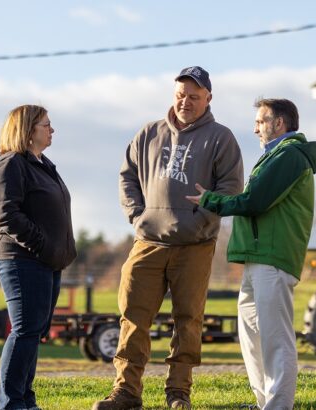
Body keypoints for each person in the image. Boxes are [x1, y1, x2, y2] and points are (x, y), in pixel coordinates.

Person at [92, 66, 244, 410]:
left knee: (188, 320)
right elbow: (127, 176)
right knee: (133, 317)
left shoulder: (221, 138)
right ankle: (126, 392)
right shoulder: (148, 133)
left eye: (193, 96)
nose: (185, 102)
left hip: (195, 245)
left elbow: (232, 188)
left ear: (208, 98)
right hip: (148, 243)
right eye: (180, 95)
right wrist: (137, 215)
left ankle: (178, 393)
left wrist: (200, 218)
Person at [187, 98, 316, 410]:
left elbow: (254, 201)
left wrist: (211, 200)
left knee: (275, 337)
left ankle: (278, 406)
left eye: (261, 121)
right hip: (257, 257)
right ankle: (265, 403)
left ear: (279, 124)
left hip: (272, 259)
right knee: (252, 337)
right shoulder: (276, 156)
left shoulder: (289, 155)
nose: (255, 128)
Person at [0, 104, 77, 410]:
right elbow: (7, 216)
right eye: (46, 125)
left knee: (34, 332)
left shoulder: (43, 164)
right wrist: (43, 245)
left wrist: (59, 251)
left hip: (47, 261)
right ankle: (11, 404)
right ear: (27, 130)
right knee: (25, 329)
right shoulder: (11, 164)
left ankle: (25, 400)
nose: (51, 130)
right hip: (21, 258)